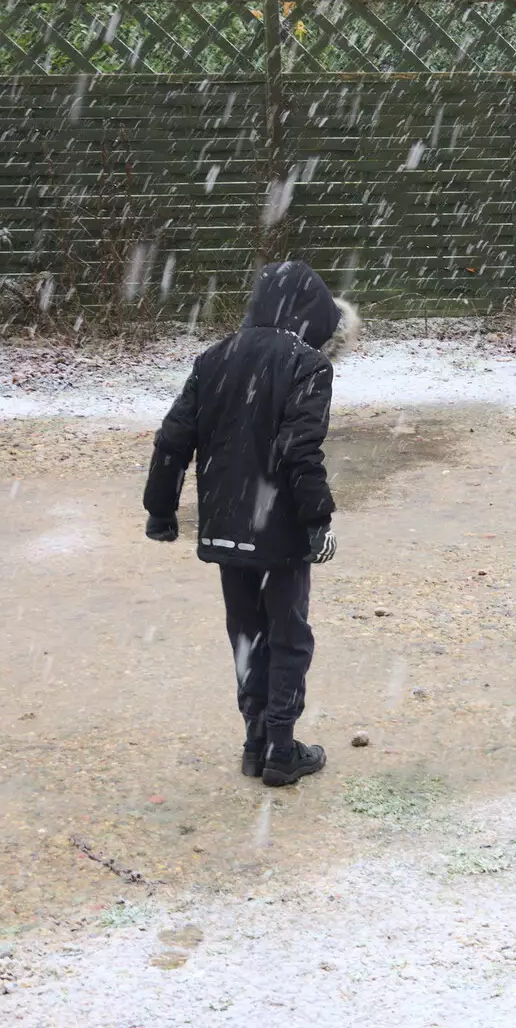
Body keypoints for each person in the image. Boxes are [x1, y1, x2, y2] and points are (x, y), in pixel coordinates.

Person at [142, 261, 361, 787]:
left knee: (246, 633)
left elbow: (173, 437)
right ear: (311, 317)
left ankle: (254, 740)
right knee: (288, 635)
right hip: (278, 530)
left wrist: (161, 508)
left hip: (224, 526)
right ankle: (282, 750)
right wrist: (318, 519)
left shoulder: (215, 358)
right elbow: (299, 449)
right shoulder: (306, 364)